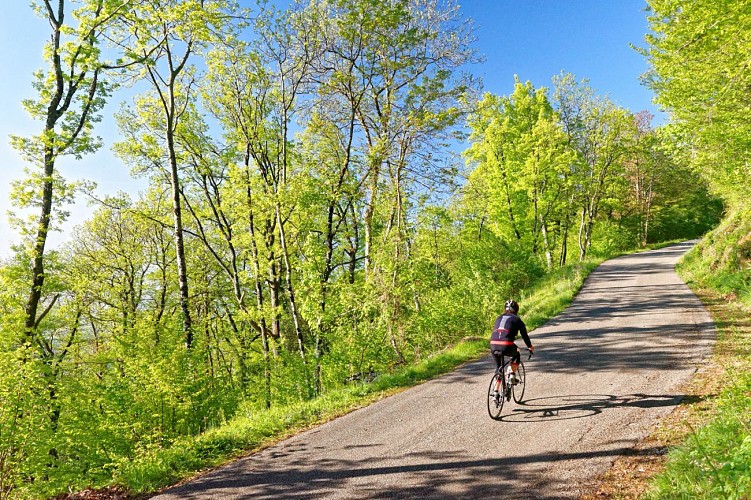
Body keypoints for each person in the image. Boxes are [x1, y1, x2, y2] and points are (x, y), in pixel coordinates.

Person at [490, 299, 534, 392]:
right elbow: (524, 335)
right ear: (516, 310)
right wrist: (530, 346)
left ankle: (495, 392)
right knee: (517, 354)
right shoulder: (517, 320)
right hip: (506, 344)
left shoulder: (499, 317)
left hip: (493, 344)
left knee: (499, 368)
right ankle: (511, 374)